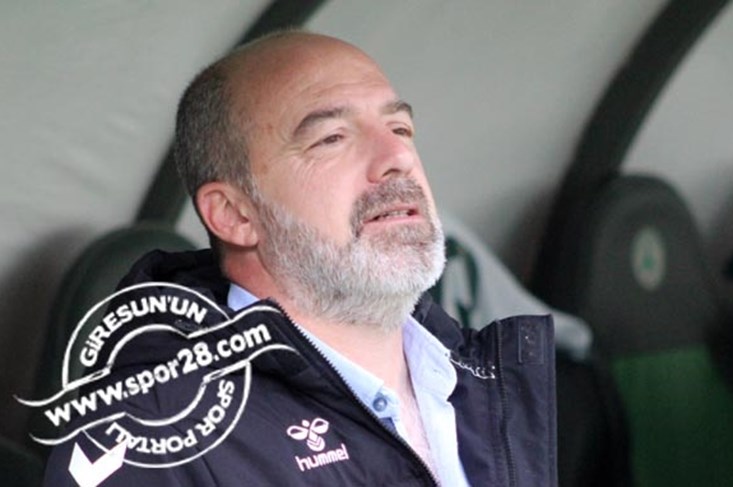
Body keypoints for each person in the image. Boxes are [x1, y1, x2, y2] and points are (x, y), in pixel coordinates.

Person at [43, 30, 556, 486]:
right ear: (234, 214)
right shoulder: (150, 438)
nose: (398, 158)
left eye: (400, 129)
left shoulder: (484, 381)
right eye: (332, 138)